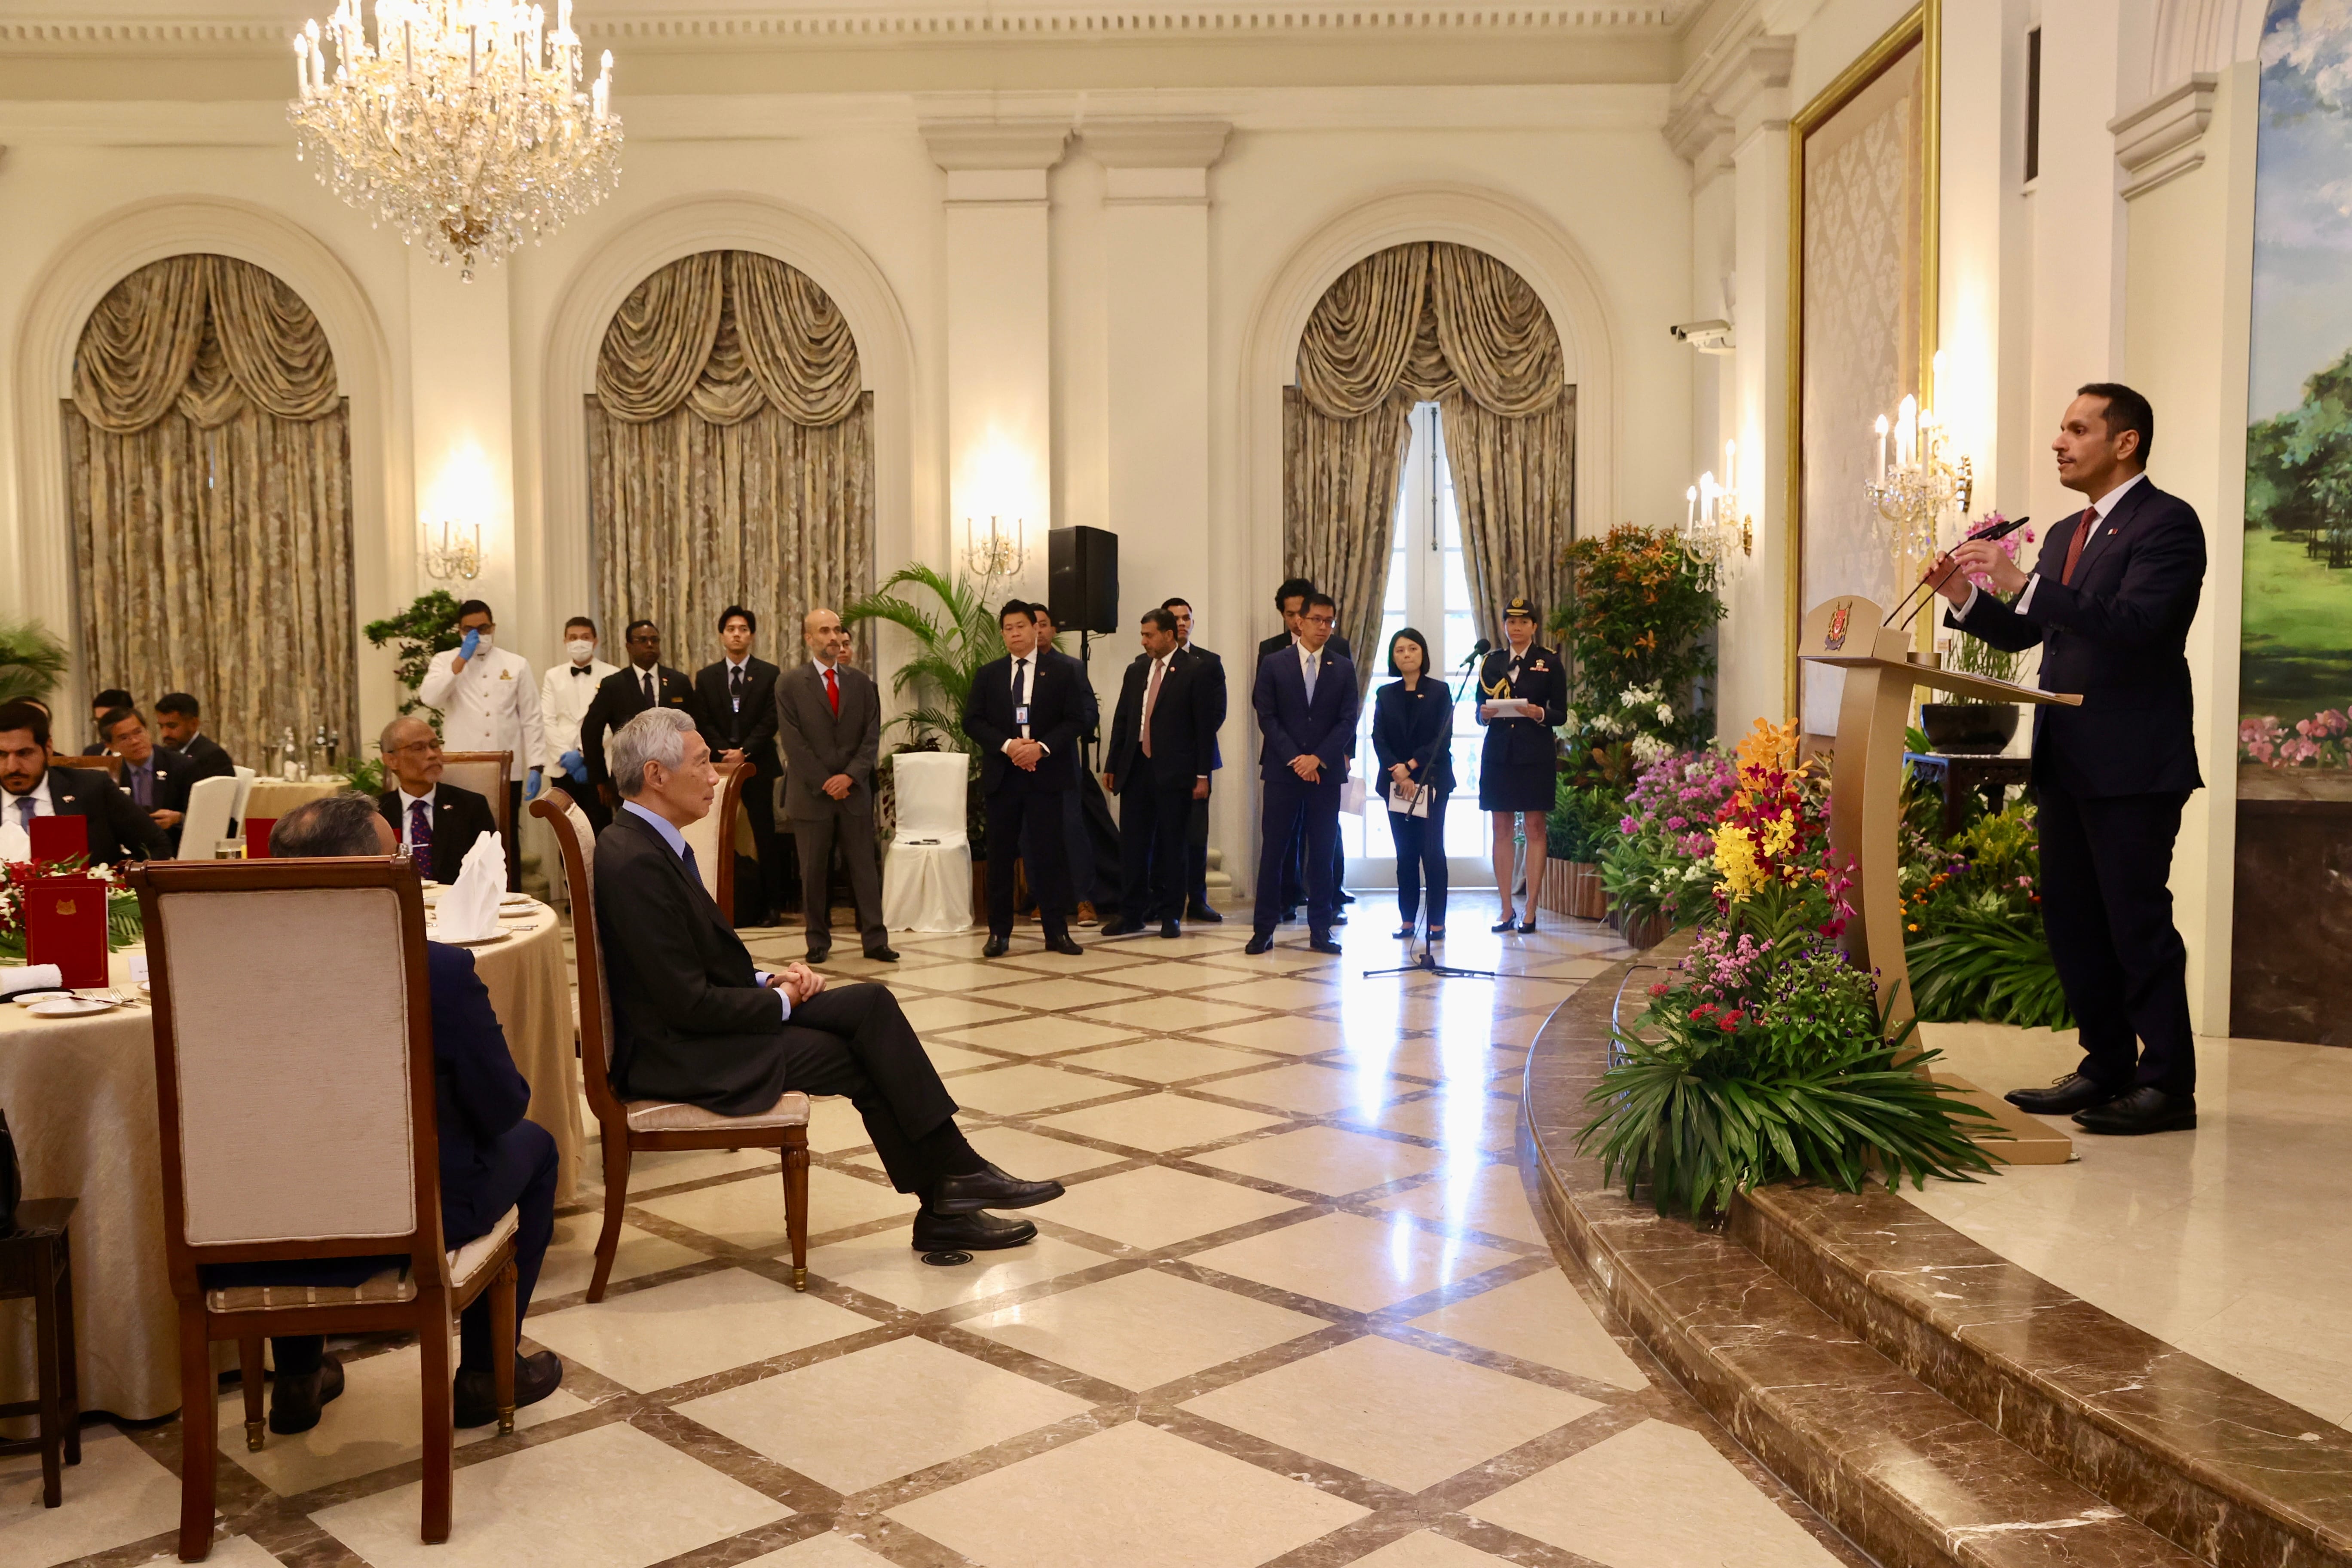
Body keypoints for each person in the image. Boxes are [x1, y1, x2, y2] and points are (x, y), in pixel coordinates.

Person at [594, 707, 1063, 1250]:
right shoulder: (634, 861)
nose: (713, 775)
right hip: (683, 1055)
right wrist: (784, 1003)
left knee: (870, 1004)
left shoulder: (649, 844)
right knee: (857, 1058)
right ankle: (949, 1197)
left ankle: (955, 1185)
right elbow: (685, 1004)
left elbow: (691, 964)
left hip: (701, 1029)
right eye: (702, 764)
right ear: (656, 775)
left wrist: (769, 979)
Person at [198, 793, 563, 1434]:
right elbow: (504, 1104)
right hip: (403, 1216)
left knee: (296, 1161)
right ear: (374, 872)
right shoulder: (436, 971)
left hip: (253, 1225)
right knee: (535, 1146)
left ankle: (299, 1378)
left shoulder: (217, 977)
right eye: (398, 854)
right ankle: (484, 1372)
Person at [1931, 381, 2205, 1136]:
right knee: (2075, 923)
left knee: (2135, 923)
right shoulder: (2061, 532)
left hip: (2134, 762)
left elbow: (2138, 625)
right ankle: (2104, 1064)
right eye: (2059, 428)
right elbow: (2031, 636)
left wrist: (2025, 583)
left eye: (2076, 428)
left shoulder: (2168, 524)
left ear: (2125, 442)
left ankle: (2167, 1084)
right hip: (2065, 758)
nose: (2058, 441)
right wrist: (1965, 596)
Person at [964, 601, 1087, 958]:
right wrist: (1009, 746)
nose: (1015, 634)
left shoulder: (1063, 671)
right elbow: (972, 720)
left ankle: (1057, 932)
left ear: (1037, 628)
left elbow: (1077, 720)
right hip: (1005, 778)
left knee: (1050, 856)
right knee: (1001, 858)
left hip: (1046, 776)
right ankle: (999, 934)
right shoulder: (989, 674)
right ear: (1002, 634)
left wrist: (1041, 748)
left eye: (1021, 626)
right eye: (1008, 628)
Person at [774, 608, 895, 965]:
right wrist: (826, 782)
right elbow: (793, 743)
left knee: (865, 869)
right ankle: (817, 940)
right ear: (809, 638)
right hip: (812, 794)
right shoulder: (790, 684)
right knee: (813, 872)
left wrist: (850, 777)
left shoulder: (861, 683)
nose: (833, 637)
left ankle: (875, 939)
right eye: (824, 631)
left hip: (854, 792)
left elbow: (871, 737)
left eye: (837, 630)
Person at [1247, 593, 1357, 956]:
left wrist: (1319, 759)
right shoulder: (1274, 663)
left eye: (1329, 621)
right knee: (1275, 851)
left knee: (1323, 853)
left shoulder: (1342, 666)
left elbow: (1347, 720)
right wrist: (1297, 757)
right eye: (1317, 620)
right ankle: (1263, 930)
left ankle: (1321, 931)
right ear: (1300, 622)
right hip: (1283, 771)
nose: (1324, 627)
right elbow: (1266, 714)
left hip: (1324, 775)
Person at [1101, 608, 1219, 940]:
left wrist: (1202, 775)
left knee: (1173, 845)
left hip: (1176, 772)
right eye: (1143, 635)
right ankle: (1132, 913)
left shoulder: (1196, 670)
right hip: (1136, 767)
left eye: (1149, 635)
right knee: (1134, 846)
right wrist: (1112, 764)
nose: (1144, 641)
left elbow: (1204, 729)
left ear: (1169, 635)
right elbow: (1123, 720)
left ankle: (1171, 914)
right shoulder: (1135, 670)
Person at [418, 600, 544, 890]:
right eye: (469, 629)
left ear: (494, 627)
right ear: (459, 631)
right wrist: (460, 661)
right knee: (461, 839)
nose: (477, 634)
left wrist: (536, 764)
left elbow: (532, 717)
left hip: (506, 771)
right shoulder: (445, 661)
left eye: (483, 628)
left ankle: (509, 898)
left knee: (506, 839)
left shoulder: (516, 664)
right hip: (461, 770)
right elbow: (430, 698)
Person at [692, 606, 787, 925]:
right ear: (721, 636)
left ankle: (773, 906)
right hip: (716, 769)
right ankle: (719, 904)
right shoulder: (706, 677)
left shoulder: (770, 673)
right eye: (731, 628)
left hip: (758, 764)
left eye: (744, 629)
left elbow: (771, 719)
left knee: (765, 837)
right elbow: (702, 718)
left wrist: (744, 751)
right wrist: (723, 752)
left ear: (752, 635)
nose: (737, 634)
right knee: (717, 837)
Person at [1477, 597, 1565, 933]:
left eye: (1523, 622)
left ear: (1534, 626)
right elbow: (1478, 707)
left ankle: (1530, 909)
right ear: (1504, 627)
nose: (1516, 628)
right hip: (1499, 754)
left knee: (1534, 828)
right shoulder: (1491, 662)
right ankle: (1504, 909)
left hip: (1535, 754)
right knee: (1501, 829)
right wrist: (1483, 715)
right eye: (1511, 622)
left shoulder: (1549, 661)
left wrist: (1539, 713)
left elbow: (1561, 712)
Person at [1028, 603, 1115, 926]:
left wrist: (1056, 738)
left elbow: (1089, 713)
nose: (1037, 630)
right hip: (1026, 767)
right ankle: (1041, 900)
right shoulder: (1015, 669)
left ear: (1053, 630)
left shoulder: (1071, 668)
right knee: (1032, 834)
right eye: (1031, 624)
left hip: (1061, 762)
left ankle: (1084, 900)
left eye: (1044, 624)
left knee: (1072, 830)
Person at [0, 700, 165, 864]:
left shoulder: (91, 788)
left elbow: (156, 846)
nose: (12, 767)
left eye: (24, 753)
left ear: (48, 748)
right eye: (2, 755)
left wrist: (124, 884)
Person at [1373, 628, 1455, 940]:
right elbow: (1378, 737)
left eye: (1413, 649)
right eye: (1400, 650)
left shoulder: (1440, 691)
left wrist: (1410, 767)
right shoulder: (1385, 693)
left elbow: (1441, 738)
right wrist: (1397, 770)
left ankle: (1436, 921)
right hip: (1395, 783)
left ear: (1423, 655)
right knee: (1405, 853)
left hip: (1432, 780)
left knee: (1432, 851)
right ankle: (1408, 919)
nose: (1406, 655)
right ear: (1394, 657)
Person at [579, 620, 697, 808]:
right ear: (629, 646)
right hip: (630, 776)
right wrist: (600, 779)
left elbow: (695, 729)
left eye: (654, 640)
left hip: (674, 773)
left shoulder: (678, 681)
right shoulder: (613, 685)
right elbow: (590, 732)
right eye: (642, 640)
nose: (650, 645)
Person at [376, 716, 502, 884]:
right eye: (419, 748)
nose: (432, 755)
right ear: (391, 760)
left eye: (435, 746)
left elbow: (493, 870)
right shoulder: (377, 814)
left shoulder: (471, 806)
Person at [1164, 597, 1228, 921]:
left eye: (1187, 617)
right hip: (1159, 761)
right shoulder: (1145, 659)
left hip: (1197, 760)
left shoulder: (1209, 662)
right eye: (1175, 618)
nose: (1182, 623)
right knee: (1162, 833)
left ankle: (1197, 900)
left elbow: (1217, 713)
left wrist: (1187, 745)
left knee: (1195, 833)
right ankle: (1163, 901)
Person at [95, 705, 224, 854]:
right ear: (110, 746)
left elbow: (208, 817)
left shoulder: (182, 766)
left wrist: (179, 818)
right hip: (128, 853)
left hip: (174, 849)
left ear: (147, 731)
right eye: (124, 738)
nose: (135, 741)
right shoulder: (110, 775)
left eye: (139, 732)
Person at [539, 617, 618, 834]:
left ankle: (601, 870)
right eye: (573, 638)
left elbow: (612, 722)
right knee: (566, 829)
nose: (579, 642)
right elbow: (547, 719)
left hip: (599, 765)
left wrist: (584, 754)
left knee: (600, 827)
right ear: (565, 641)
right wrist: (567, 756)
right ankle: (568, 870)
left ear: (596, 640)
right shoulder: (552, 676)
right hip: (562, 764)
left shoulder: (612, 674)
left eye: (585, 637)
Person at [153, 692, 237, 775]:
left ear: (194, 724)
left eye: (172, 726)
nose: (165, 734)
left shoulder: (214, 757)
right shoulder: (166, 753)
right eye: (161, 726)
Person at [82, 688, 134, 756]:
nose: (102, 726)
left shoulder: (143, 751)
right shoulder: (91, 753)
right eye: (99, 721)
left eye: (108, 720)